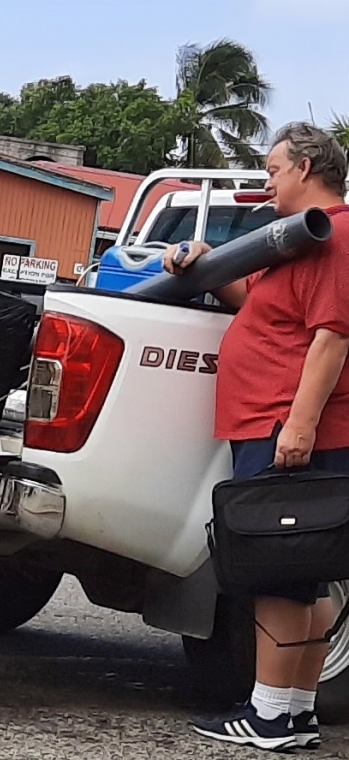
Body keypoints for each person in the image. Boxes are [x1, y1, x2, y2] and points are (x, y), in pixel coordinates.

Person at [167, 123, 349, 752]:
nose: (267, 180)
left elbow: (331, 336)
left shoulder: (336, 236)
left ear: (304, 167)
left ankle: (269, 712)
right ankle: (295, 712)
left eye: (273, 169)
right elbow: (258, 304)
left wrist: (298, 425)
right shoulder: (292, 243)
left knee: (277, 570)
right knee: (304, 575)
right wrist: (202, 263)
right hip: (272, 422)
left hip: (285, 425)